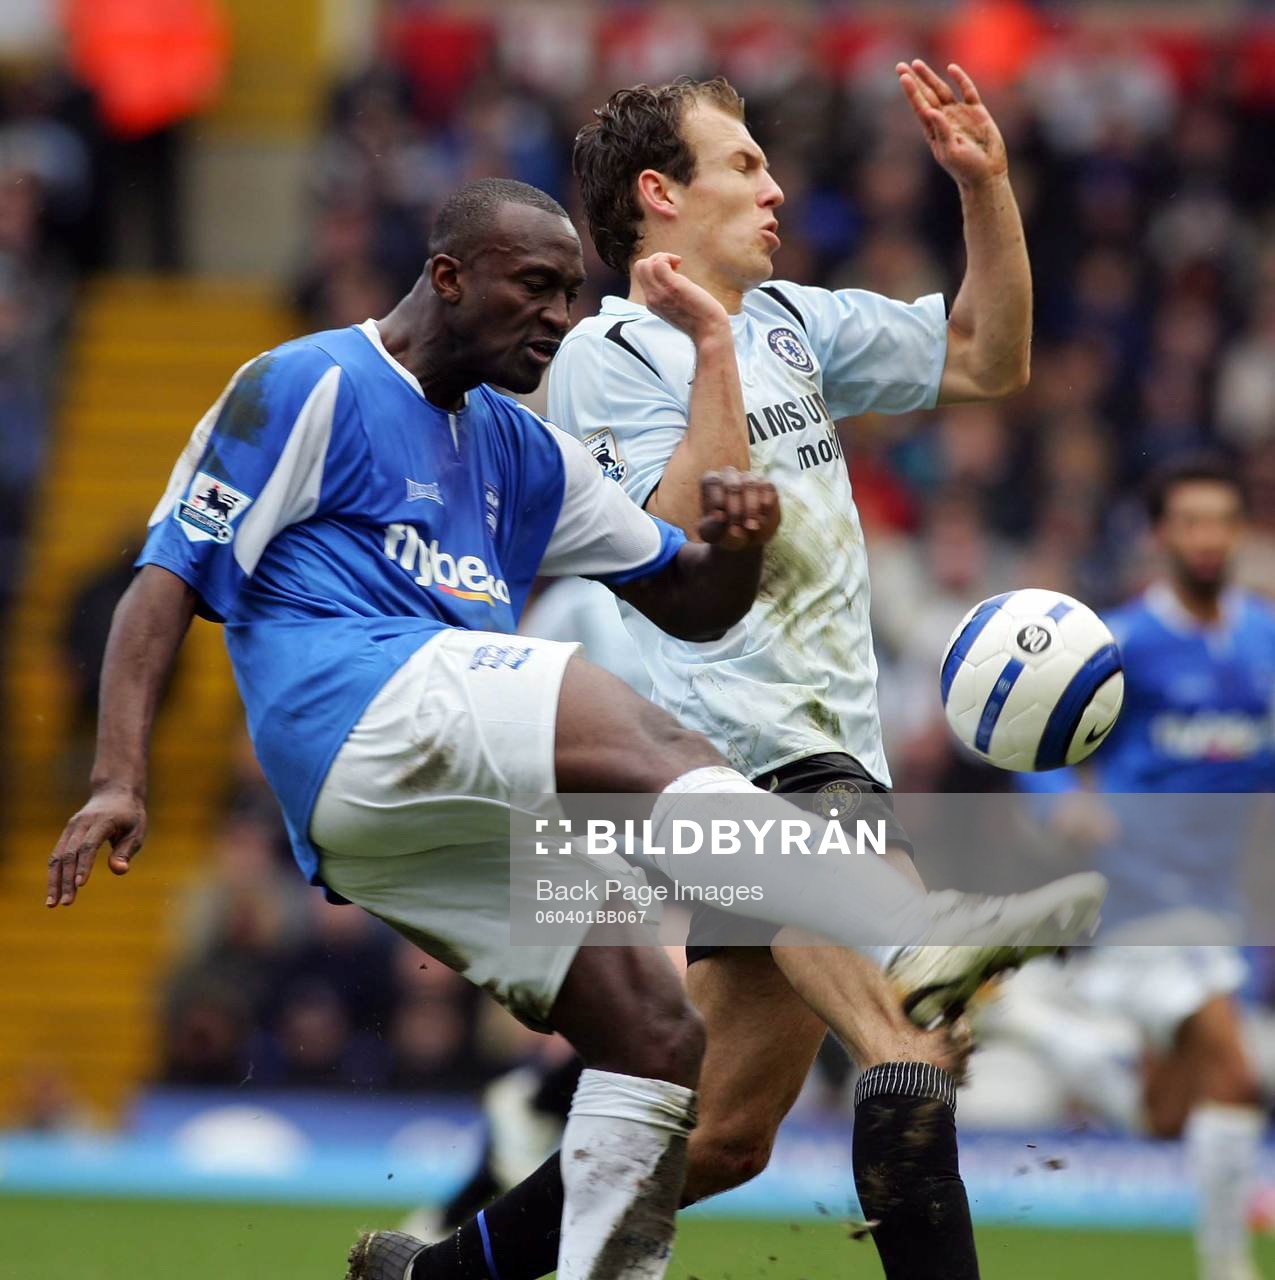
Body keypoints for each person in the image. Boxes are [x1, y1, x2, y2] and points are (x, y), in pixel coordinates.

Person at [49, 177, 1101, 1280]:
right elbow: (165, 578)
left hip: (415, 821)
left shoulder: (520, 446)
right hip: (354, 707)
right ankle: (904, 932)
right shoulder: (309, 380)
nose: (559, 314)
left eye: (571, 292)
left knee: (657, 1042)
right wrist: (119, 774)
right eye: (536, 287)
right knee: (650, 743)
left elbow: (687, 594)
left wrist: (737, 541)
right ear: (448, 276)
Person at [410, 65, 1081, 1280]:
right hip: (736, 766)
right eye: (745, 164)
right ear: (660, 195)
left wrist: (986, 188)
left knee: (719, 1136)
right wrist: (710, 346)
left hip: (830, 750)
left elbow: (987, 356)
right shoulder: (610, 352)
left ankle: (439, 1273)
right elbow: (671, 549)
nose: (777, 187)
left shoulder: (795, 322)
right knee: (905, 1044)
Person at [1005, 456, 1275, 1280]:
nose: (1204, 537)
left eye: (1218, 520)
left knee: (1165, 1117)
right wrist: (1063, 804)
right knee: (1234, 1076)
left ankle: (1068, 1044)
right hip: (1138, 894)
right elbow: (1034, 735)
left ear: (1237, 530)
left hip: (1219, 898)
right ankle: (1227, 1270)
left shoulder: (1262, 635)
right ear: (1161, 535)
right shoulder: (1121, 641)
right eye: (1187, 521)